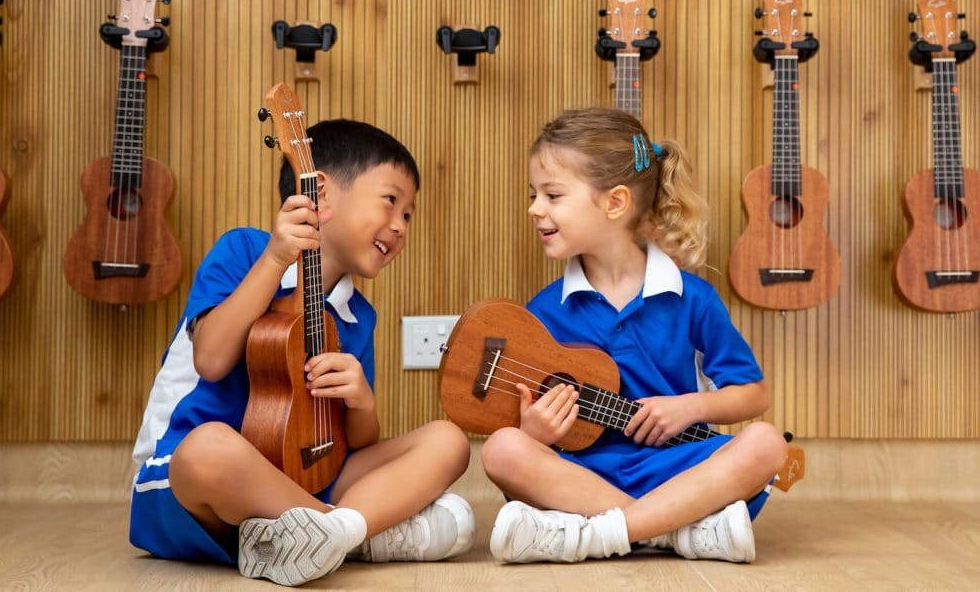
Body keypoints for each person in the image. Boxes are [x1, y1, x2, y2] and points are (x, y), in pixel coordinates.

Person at [130, 118, 474, 586]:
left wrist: (362, 402)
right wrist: (275, 260)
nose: (399, 226)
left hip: (304, 477)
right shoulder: (245, 251)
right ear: (323, 193)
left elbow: (358, 443)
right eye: (391, 201)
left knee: (448, 441)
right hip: (195, 483)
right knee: (210, 450)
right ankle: (360, 535)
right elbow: (209, 361)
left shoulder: (358, 315)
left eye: (408, 215)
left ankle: (329, 533)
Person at [482, 107, 788, 565]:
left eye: (552, 195)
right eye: (535, 195)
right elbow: (518, 422)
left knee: (767, 444)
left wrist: (693, 406)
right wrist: (533, 432)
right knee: (502, 450)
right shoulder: (544, 311)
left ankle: (596, 534)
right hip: (584, 475)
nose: (535, 209)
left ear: (615, 202)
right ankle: (670, 530)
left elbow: (754, 394)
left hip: (678, 470)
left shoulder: (692, 298)